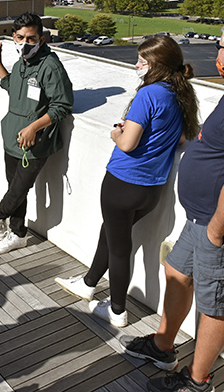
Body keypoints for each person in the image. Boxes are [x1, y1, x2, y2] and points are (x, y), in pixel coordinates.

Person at [124, 16, 224, 392]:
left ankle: (197, 381)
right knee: (176, 271)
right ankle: (164, 346)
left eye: (219, 47)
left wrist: (216, 231)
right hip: (202, 219)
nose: (216, 53)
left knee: (213, 306)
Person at [55, 36, 199, 327]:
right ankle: (88, 282)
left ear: (157, 66)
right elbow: (182, 137)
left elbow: (128, 144)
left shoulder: (149, 94)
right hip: (152, 188)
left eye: (142, 62)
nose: (137, 66)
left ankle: (117, 310)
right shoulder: (179, 92)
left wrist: (116, 133)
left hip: (123, 183)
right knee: (110, 232)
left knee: (121, 247)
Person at [0, 12, 73, 254]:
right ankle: (17, 234)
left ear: (42, 39)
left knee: (18, 190)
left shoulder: (50, 66)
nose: (25, 44)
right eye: (20, 38)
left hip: (35, 143)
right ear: (13, 37)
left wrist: (34, 127)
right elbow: (10, 86)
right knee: (15, 188)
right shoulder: (20, 64)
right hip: (11, 137)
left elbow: (63, 105)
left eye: (31, 38)